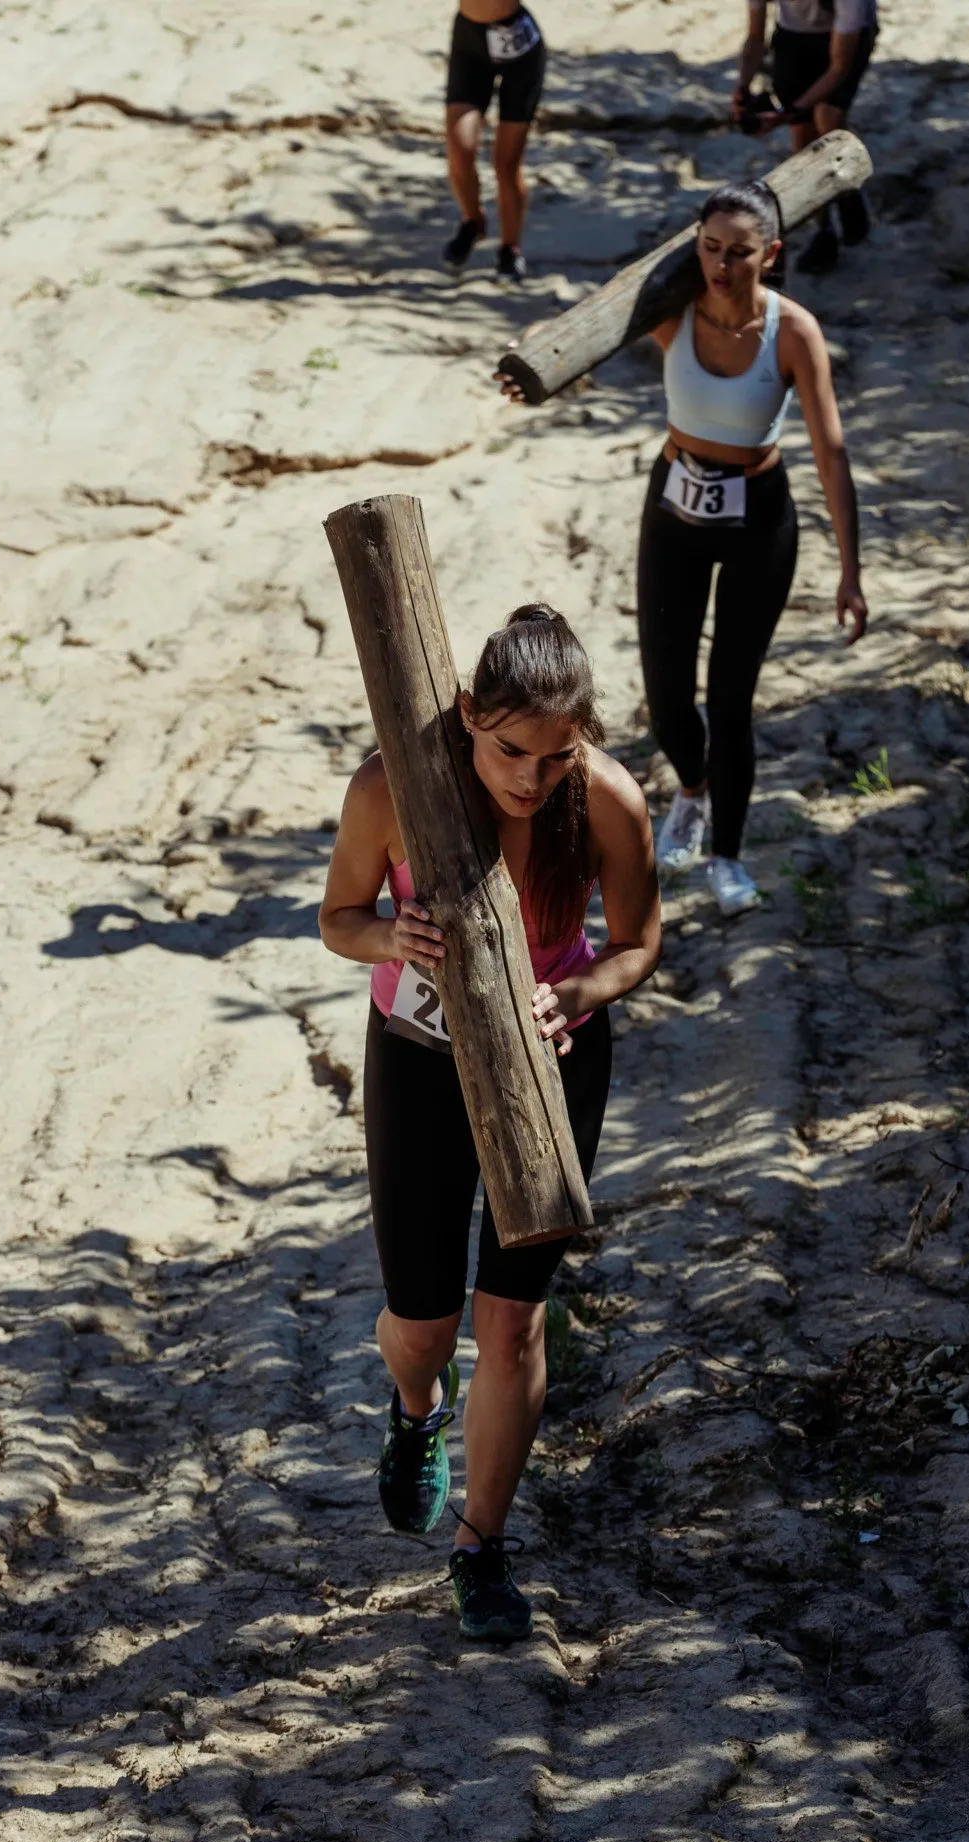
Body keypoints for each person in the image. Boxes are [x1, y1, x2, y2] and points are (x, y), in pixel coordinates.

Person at [318, 606, 660, 1642]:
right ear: (469, 712)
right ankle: (416, 1408)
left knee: (512, 1318)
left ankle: (481, 1547)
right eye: (511, 750)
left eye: (556, 757)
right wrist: (390, 934)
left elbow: (638, 941)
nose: (531, 777)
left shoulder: (606, 799)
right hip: (417, 1059)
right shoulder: (390, 787)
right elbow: (337, 919)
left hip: (551, 1063)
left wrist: (579, 993)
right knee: (423, 1325)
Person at [638, 181, 866, 914]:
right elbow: (585, 331)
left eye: (739, 253)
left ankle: (727, 858)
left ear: (769, 254)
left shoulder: (792, 331)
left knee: (730, 701)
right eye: (709, 248)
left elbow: (830, 452)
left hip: (757, 517)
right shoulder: (670, 311)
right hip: (674, 507)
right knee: (667, 697)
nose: (721, 266)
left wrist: (850, 570)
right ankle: (692, 792)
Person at [732, 0, 878, 274]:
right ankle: (824, 229)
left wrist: (789, 112)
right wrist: (742, 86)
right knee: (803, 140)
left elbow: (839, 68)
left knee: (828, 118)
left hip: (848, 39)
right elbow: (755, 36)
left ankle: (850, 189)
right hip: (794, 37)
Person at [443, 1, 547, 279]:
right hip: (470, 41)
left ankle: (510, 249)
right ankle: (472, 220)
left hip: (520, 48)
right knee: (460, 148)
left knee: (506, 165)